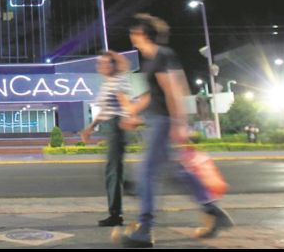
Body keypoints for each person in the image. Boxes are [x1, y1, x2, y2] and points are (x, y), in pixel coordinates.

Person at [120, 14, 233, 248]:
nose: (131, 36)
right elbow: (155, 95)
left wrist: (179, 124)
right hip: (158, 121)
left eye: (134, 31)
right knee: (176, 174)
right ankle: (214, 211)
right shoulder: (152, 60)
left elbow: (173, 91)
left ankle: (145, 229)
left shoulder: (162, 55)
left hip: (163, 123)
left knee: (147, 174)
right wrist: (134, 113)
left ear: (142, 33)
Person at [81, 51, 135, 227]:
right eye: (99, 63)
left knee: (113, 172)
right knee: (114, 171)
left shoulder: (118, 80)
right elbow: (104, 110)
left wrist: (130, 116)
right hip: (111, 127)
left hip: (117, 127)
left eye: (104, 63)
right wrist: (90, 127)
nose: (100, 67)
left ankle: (116, 214)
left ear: (112, 65)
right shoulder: (108, 83)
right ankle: (131, 194)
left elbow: (124, 101)